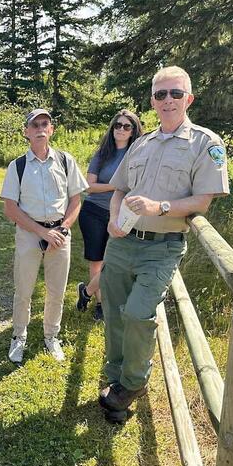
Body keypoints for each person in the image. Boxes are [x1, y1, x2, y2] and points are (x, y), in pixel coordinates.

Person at [98, 66, 229, 417]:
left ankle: (132, 382)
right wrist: (113, 219)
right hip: (123, 242)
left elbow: (202, 201)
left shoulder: (205, 143)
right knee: (113, 310)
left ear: (189, 98)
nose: (167, 100)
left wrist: (161, 207)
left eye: (175, 93)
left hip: (162, 246)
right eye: (160, 94)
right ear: (152, 101)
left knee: (139, 314)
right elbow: (120, 189)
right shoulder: (141, 143)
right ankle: (114, 373)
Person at [0, 109, 88, 363]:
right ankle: (19, 336)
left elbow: (75, 199)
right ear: (26, 131)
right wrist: (42, 232)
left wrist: (62, 229)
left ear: (51, 129)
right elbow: (10, 208)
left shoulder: (65, 161)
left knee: (56, 290)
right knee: (24, 290)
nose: (40, 128)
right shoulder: (17, 166)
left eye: (45, 124)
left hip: (60, 234)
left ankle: (51, 336)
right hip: (30, 234)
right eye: (34, 124)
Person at [76, 110, 143, 320]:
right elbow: (89, 186)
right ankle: (101, 305)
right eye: (117, 125)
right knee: (97, 260)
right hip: (94, 212)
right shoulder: (103, 153)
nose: (121, 129)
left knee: (114, 261)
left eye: (126, 126)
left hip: (124, 215)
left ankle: (86, 291)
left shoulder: (138, 154)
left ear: (134, 131)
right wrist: (115, 187)